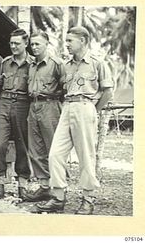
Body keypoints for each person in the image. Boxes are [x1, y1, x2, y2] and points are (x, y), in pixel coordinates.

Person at [34, 26, 113, 214]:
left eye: (70, 41)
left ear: (83, 41)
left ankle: (88, 199)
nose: (66, 44)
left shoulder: (97, 63)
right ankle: (58, 198)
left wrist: (92, 110)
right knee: (55, 154)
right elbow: (63, 88)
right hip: (67, 107)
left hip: (86, 107)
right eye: (66, 40)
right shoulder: (66, 65)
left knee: (85, 155)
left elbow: (108, 92)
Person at [0, 29, 33, 200]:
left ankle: (22, 185)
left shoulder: (33, 64)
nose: (13, 46)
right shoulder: (5, 63)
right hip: (4, 102)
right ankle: (0, 184)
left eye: (17, 43)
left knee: (23, 145)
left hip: (23, 104)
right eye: (11, 43)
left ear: (26, 44)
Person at [24, 31, 65, 202]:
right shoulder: (31, 65)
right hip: (34, 105)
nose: (34, 47)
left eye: (37, 44)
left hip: (50, 106)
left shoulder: (57, 64)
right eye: (32, 44)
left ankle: (58, 191)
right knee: (36, 149)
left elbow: (65, 87)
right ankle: (44, 187)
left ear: (46, 44)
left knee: (53, 150)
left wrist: (55, 102)